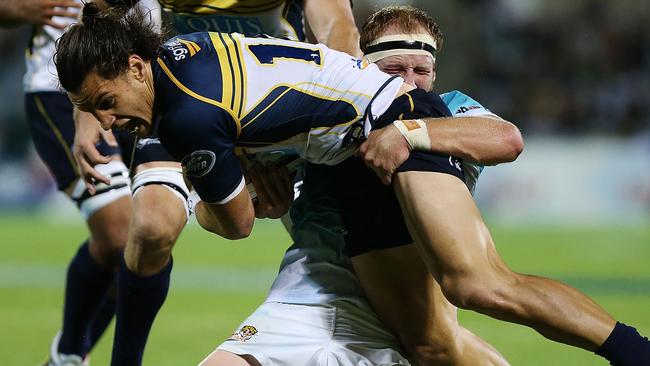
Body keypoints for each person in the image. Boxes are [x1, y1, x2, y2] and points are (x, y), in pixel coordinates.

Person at [54, 4, 650, 366]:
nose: (107, 122)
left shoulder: (186, 116)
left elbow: (235, 223)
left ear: (135, 67)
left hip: (386, 131)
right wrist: (246, 174)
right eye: (91, 110)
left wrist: (413, 132)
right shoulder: (183, 60)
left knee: (475, 285)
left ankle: (634, 350)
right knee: (428, 347)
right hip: (351, 175)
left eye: (105, 104)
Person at [203, 6, 520, 366]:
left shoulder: (448, 111)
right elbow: (208, 212)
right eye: (395, 70)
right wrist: (257, 203)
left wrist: (406, 132)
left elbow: (504, 138)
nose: (411, 83)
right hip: (304, 298)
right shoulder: (319, 118)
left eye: (422, 71)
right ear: (364, 70)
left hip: (403, 318)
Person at [67, 1, 362, 365]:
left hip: (274, 105)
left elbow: (339, 28)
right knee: (152, 228)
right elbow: (97, 18)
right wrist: (87, 116)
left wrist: (345, 105)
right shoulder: (153, 90)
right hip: (172, 98)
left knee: (356, 257)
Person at [0, 2, 155, 365]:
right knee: (121, 231)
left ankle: (66, 354)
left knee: (145, 241)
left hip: (142, 80)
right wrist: (20, 8)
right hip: (57, 89)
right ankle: (69, 353)